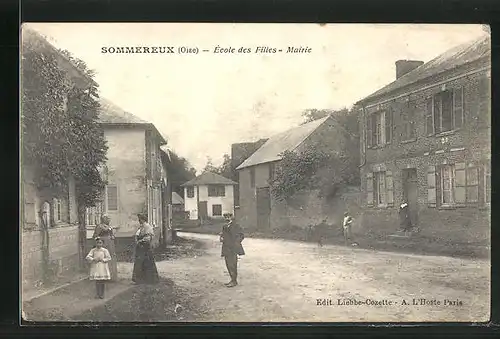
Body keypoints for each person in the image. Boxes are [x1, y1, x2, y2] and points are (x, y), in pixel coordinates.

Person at [132, 213, 160, 284]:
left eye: (140, 219)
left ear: (143, 219)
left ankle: (148, 279)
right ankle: (140, 279)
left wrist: (140, 241)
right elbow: (137, 234)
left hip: (145, 247)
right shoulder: (141, 227)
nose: (139, 221)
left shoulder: (147, 226)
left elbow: (148, 238)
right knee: (140, 262)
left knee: (146, 262)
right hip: (141, 247)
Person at [219, 215, 245, 288]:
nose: (227, 218)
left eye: (228, 217)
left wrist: (236, 243)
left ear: (232, 218)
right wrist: (221, 238)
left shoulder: (236, 226)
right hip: (226, 248)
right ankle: (232, 280)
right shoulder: (224, 226)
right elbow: (223, 235)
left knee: (233, 264)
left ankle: (234, 281)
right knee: (228, 264)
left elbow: (241, 235)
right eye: (225, 217)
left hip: (233, 248)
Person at [92, 215, 118, 282]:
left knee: (110, 257)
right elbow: (95, 236)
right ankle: (102, 276)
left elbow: (111, 234)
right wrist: (100, 241)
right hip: (103, 245)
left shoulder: (109, 227)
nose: (109, 220)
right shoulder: (99, 226)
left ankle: (111, 275)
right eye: (108, 219)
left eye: (109, 219)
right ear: (104, 219)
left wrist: (112, 236)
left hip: (110, 245)